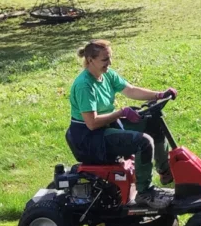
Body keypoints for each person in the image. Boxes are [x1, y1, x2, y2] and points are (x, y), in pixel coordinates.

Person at [66, 39, 177, 209]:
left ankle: (165, 173)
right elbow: (92, 123)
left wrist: (159, 95)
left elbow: (130, 90)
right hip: (91, 138)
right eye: (105, 60)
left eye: (110, 58)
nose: (109, 63)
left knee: (154, 123)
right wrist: (121, 112)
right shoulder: (84, 85)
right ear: (90, 60)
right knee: (143, 142)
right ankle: (144, 192)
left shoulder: (107, 74)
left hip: (107, 127)